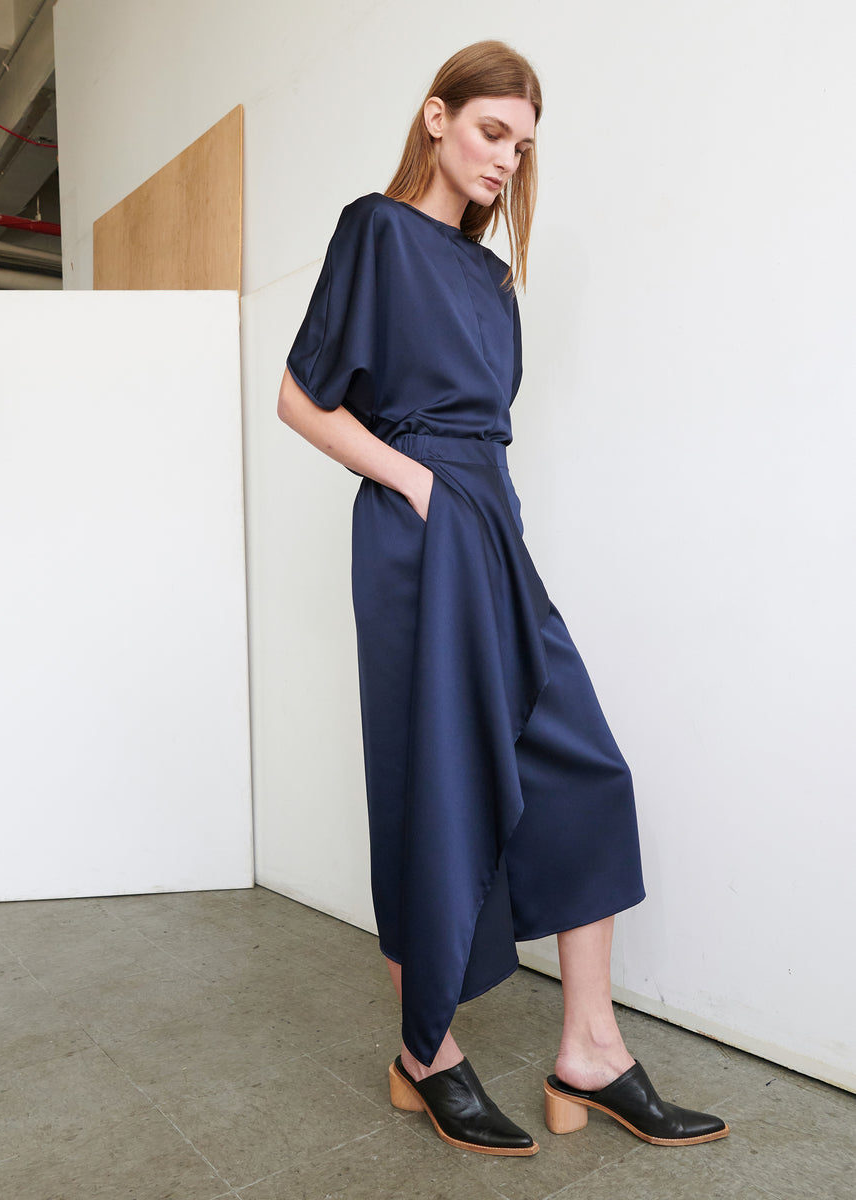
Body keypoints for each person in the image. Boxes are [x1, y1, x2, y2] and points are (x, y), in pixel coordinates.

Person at [278, 40, 729, 1155]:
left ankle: (591, 1051)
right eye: (491, 133)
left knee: (582, 763)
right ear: (435, 117)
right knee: (432, 777)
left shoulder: (490, 277)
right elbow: (299, 399)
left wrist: (473, 503)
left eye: (523, 147)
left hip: (492, 525)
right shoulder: (373, 232)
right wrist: (417, 480)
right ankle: (425, 1054)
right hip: (417, 528)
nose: (505, 161)